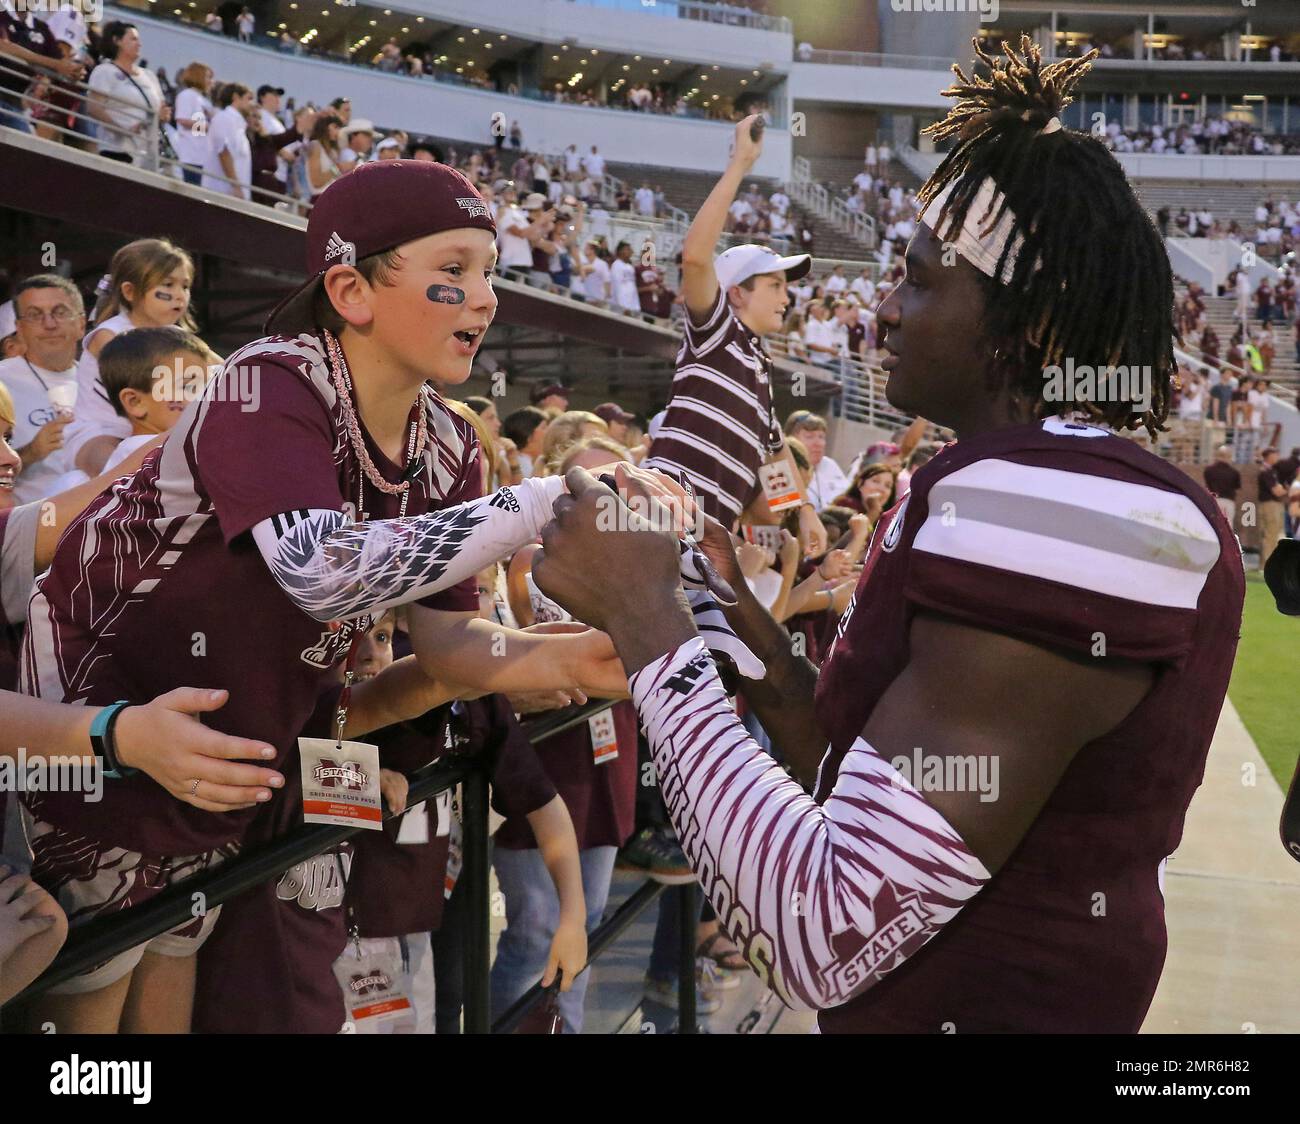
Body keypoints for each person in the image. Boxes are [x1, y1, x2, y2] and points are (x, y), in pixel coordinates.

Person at [531, 38, 1244, 1033]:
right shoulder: (1046, 480)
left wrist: (645, 617)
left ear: (1024, 324)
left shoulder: (1052, 501)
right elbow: (858, 775)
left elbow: (830, 926)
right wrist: (734, 622)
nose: (881, 312)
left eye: (916, 281)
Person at [18, 161, 631, 1034]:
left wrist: (577, 657)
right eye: (452, 272)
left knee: (165, 1013)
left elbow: (453, 650)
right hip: (102, 738)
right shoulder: (266, 383)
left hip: (219, 766)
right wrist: (537, 498)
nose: (485, 298)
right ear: (350, 289)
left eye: (491, 272)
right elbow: (321, 567)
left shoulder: (450, 444)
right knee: (91, 1039)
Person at [643, 116, 826, 558]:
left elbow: (778, 456)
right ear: (737, 294)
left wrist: (801, 513)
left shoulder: (758, 370)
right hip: (654, 525)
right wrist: (739, 165)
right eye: (776, 285)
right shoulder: (718, 332)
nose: (788, 297)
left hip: (698, 548)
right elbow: (695, 257)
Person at [67, 237, 197, 477]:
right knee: (117, 476)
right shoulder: (107, 335)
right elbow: (142, 371)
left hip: (155, 432)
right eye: (167, 285)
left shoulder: (182, 339)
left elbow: (219, 372)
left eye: (185, 286)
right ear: (130, 291)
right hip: (99, 432)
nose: (180, 295)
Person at [0, 274, 84, 504]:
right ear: (19, 328)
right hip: (27, 529)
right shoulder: (2, 380)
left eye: (60, 312)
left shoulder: (101, 382)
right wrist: (31, 452)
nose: (49, 324)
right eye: (35, 315)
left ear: (81, 325)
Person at [96, 326, 218, 472]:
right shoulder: (160, 457)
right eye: (188, 387)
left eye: (208, 385)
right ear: (135, 402)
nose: (206, 396)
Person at [86, 21, 167, 165]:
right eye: (133, 39)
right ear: (117, 41)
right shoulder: (105, 71)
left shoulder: (149, 76)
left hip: (148, 153)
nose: (139, 44)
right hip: (117, 150)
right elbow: (93, 108)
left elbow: (161, 108)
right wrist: (122, 129)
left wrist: (163, 115)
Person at [200, 82, 254, 200]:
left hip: (232, 196)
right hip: (221, 194)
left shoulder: (238, 125)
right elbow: (223, 152)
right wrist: (236, 187)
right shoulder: (224, 118)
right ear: (235, 97)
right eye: (248, 99)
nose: (251, 104)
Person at [786, 411, 848, 511]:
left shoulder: (830, 465)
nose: (818, 443)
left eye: (821, 437)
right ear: (791, 439)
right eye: (809, 436)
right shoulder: (782, 469)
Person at [171, 62, 214, 185]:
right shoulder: (187, 95)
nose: (211, 82)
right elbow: (182, 120)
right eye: (208, 77)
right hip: (191, 156)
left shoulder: (203, 99)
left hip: (203, 156)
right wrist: (207, 127)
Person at [1257, 446, 1286, 568]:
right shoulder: (1266, 471)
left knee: (1270, 535)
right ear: (1269, 456)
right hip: (1270, 505)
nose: (1277, 458)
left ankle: (1265, 564)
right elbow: (1277, 492)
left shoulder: (1271, 471)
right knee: (1270, 535)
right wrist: (1288, 490)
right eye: (1275, 455)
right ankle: (1267, 565)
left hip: (1271, 504)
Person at [1203, 444, 1241, 526]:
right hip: (1228, 501)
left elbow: (1208, 484)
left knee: (1213, 524)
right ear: (1229, 456)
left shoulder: (1209, 470)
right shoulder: (1234, 472)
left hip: (1214, 500)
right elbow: (1237, 488)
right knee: (1228, 525)